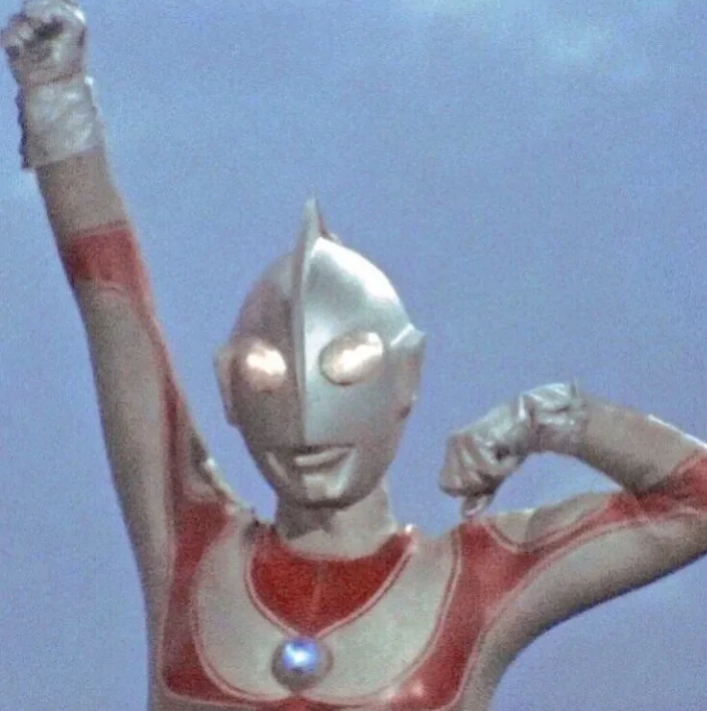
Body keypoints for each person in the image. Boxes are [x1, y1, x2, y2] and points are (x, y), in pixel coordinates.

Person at [4, 2, 707, 710]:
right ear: (230, 387)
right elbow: (113, 309)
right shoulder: (190, 547)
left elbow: (696, 499)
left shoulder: (474, 580)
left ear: (405, 375)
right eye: (267, 374)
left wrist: (549, 417)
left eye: (345, 366)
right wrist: (54, 95)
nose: (308, 415)